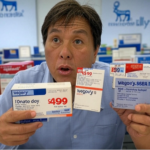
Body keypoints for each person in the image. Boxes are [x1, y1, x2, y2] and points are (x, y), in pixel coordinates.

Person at [0, 0, 150, 149]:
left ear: (95, 52)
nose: (65, 53)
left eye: (78, 41)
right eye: (56, 39)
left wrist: (144, 139)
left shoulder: (117, 85)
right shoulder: (21, 84)